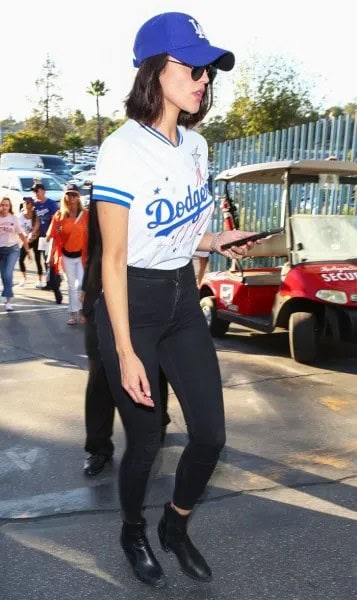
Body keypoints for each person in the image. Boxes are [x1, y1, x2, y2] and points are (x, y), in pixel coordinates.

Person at [92, 12, 256, 588]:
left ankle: (175, 525)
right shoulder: (120, 150)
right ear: (155, 70)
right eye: (192, 67)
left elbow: (183, 234)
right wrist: (125, 350)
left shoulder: (197, 144)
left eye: (208, 70)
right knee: (146, 438)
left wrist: (215, 239)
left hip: (183, 298)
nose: (203, 79)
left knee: (211, 434)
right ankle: (132, 529)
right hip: (130, 303)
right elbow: (112, 258)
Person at [82, 197, 171, 476]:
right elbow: (97, 244)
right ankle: (98, 448)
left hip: (149, 292)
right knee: (100, 375)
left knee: (155, 369)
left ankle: (156, 428)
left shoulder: (159, 181)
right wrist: (87, 288)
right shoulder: (103, 188)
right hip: (103, 292)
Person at [47, 183, 88, 325]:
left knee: (81, 284)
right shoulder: (59, 216)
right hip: (66, 256)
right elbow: (54, 236)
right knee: (71, 285)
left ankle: (83, 312)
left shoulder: (85, 215)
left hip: (81, 256)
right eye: (69, 194)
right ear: (65, 196)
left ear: (78, 196)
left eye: (74, 194)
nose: (71, 197)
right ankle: (74, 313)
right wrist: (50, 255)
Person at [0, 197, 31, 311]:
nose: (4, 207)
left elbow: (21, 235)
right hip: (0, 250)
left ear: (10, 207)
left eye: (6, 205)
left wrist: (27, 250)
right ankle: (7, 292)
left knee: (8, 273)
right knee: (4, 276)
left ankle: (8, 301)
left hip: (12, 249)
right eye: (2, 205)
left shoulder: (14, 218)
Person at [32, 182, 58, 290]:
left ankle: (54, 281)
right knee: (45, 259)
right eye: (34, 192)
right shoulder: (37, 205)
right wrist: (33, 232)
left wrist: (51, 234)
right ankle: (50, 281)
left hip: (51, 236)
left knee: (50, 259)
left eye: (37, 191)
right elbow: (38, 220)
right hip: (42, 236)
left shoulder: (51, 204)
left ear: (43, 191)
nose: (36, 193)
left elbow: (55, 220)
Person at [17, 197, 40, 287]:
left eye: (28, 202)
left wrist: (33, 236)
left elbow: (37, 228)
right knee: (21, 259)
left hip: (36, 239)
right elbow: (21, 231)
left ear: (32, 205)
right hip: (26, 239)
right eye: (24, 202)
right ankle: (24, 278)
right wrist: (27, 242)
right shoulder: (21, 216)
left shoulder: (35, 215)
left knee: (38, 259)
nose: (25, 204)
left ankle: (39, 279)